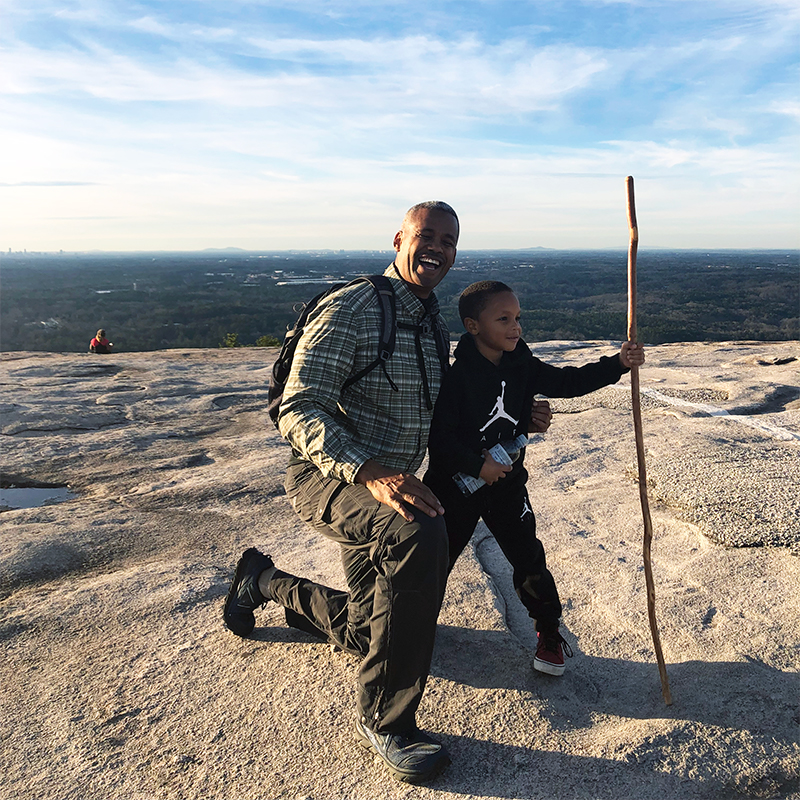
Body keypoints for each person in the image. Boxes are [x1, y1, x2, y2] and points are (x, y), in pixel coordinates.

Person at [223, 201, 461, 784]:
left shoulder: (431, 319)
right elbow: (297, 407)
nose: (437, 248)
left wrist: (513, 413)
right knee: (419, 531)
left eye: (449, 241)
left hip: (387, 485)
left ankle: (262, 580)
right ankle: (387, 720)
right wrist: (372, 472)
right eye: (426, 236)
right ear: (399, 238)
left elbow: (444, 404)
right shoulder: (355, 308)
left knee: (365, 633)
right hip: (331, 478)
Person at [423, 280, 645, 678]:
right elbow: (440, 441)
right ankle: (414, 624)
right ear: (473, 326)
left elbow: (567, 382)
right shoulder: (456, 377)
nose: (515, 327)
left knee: (529, 560)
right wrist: (477, 465)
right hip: (455, 487)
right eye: (503, 319)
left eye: (518, 318)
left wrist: (618, 364)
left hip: (507, 483)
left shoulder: (521, 364)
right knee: (436, 559)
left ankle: (548, 634)